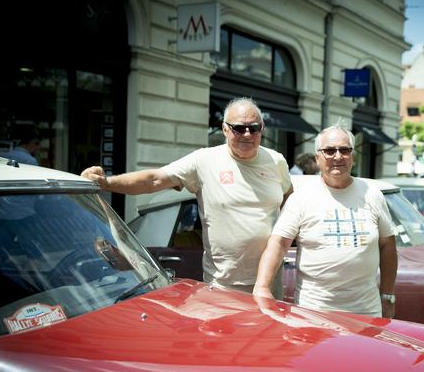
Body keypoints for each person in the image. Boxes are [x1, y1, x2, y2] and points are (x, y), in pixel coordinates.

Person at [81, 97, 293, 298]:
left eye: (253, 128)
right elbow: (154, 179)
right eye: (239, 128)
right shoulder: (204, 160)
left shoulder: (276, 161)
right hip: (224, 285)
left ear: (262, 129)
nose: (247, 134)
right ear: (225, 129)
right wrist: (107, 183)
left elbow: (289, 199)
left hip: (269, 283)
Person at [253, 122, 398, 318]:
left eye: (344, 150)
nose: (337, 156)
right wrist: (262, 287)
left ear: (352, 156)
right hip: (314, 314)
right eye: (329, 151)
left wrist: (387, 296)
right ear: (318, 158)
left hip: (366, 312)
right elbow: (278, 244)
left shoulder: (372, 195)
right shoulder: (301, 198)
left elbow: (388, 245)